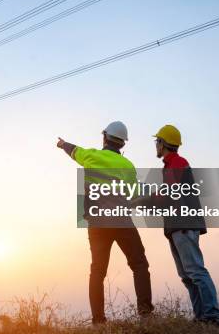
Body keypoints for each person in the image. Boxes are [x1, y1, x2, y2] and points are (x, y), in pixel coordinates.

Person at [56, 121, 153, 324]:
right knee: (139, 264)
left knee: (98, 271)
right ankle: (145, 314)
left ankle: (98, 321)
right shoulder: (127, 166)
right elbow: (134, 194)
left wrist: (63, 144)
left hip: (97, 223)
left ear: (104, 138)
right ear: (122, 144)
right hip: (121, 220)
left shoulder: (92, 156)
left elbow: (75, 151)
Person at [152, 124, 219, 326]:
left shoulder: (177, 162)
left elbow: (168, 193)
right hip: (177, 226)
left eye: (156, 141)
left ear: (162, 143)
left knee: (195, 272)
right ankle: (201, 317)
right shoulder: (170, 164)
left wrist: (144, 198)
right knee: (186, 275)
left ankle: (214, 316)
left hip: (184, 225)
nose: (155, 146)